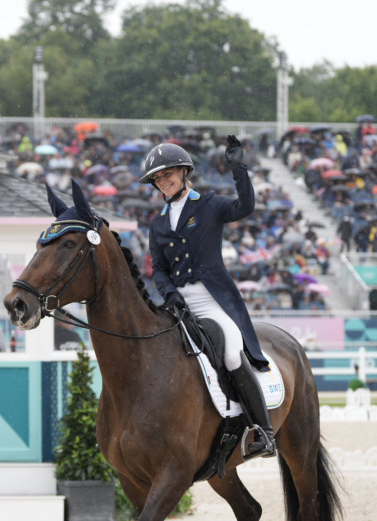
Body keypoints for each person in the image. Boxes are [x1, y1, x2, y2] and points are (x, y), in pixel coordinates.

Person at [143, 136, 275, 458]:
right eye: (158, 178)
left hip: (213, 300)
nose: (163, 182)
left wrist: (238, 168)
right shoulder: (157, 224)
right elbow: (158, 269)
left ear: (184, 172)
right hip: (179, 303)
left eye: (168, 174)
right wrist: (169, 293)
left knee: (231, 355)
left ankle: (263, 432)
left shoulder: (209, 205)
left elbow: (245, 207)